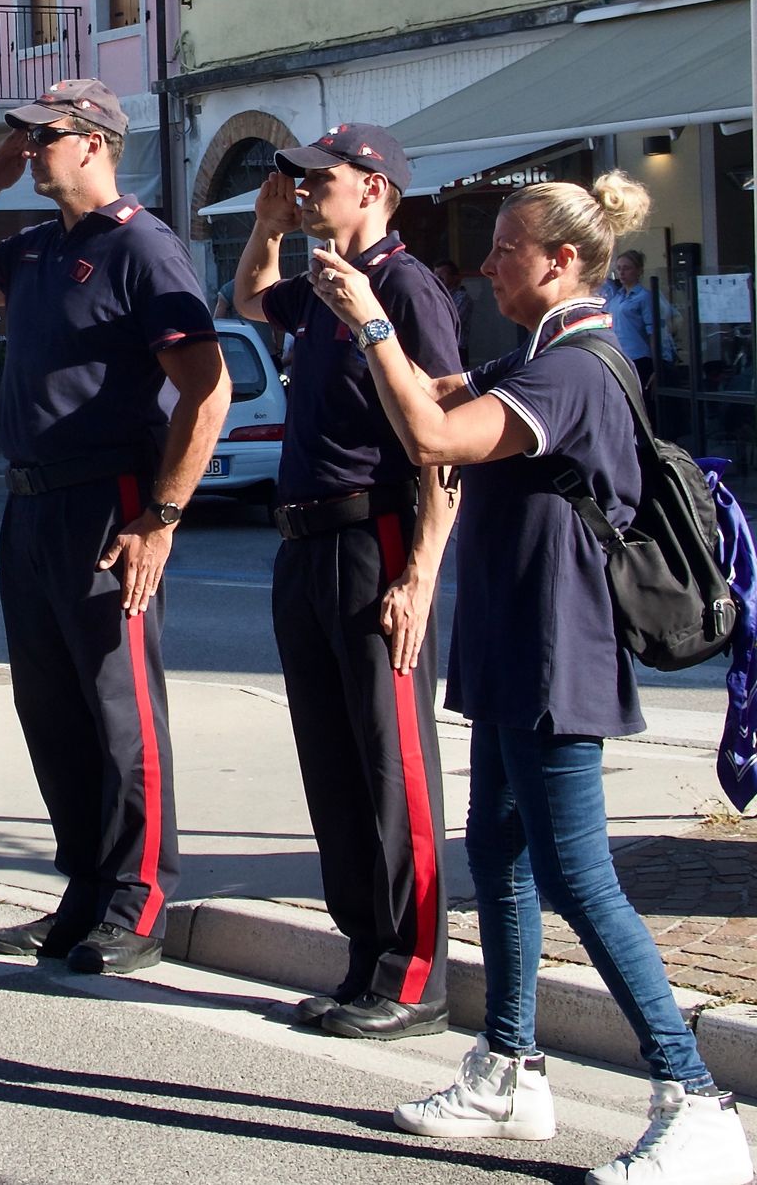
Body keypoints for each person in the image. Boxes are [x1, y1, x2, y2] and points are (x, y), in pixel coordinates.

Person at [310, 173, 755, 1185]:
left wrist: (375, 318)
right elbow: (425, 402)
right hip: (514, 642)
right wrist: (355, 319)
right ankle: (507, 1065)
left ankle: (696, 1101)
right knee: (501, 857)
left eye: (504, 246)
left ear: (557, 260)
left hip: (561, 651)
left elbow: (429, 439)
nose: (484, 262)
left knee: (572, 873)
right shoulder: (533, 356)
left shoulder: (577, 372)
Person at [0, 79, 229, 975]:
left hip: (107, 499)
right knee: (51, 707)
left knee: (118, 707)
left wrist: (161, 518)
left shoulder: (142, 247)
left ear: (93, 141)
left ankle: (140, 899)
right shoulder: (39, 247)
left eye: (40, 136)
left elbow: (208, 391)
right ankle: (85, 890)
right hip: (32, 501)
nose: (26, 149)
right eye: (19, 136)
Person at [229, 124, 460, 1040]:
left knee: (391, 766)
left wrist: (421, 575)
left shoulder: (403, 285)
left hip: (376, 538)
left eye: (317, 178)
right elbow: (248, 296)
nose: (303, 188)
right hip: (305, 544)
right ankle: (366, 955)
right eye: (296, 177)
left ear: (372, 187)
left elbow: (441, 441)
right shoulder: (328, 282)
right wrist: (265, 222)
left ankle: (415, 979)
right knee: (331, 762)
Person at [603, 248, 671, 390]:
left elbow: (653, 332)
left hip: (639, 358)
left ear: (639, 271)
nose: (622, 272)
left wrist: (656, 366)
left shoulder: (644, 297)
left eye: (626, 268)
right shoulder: (616, 298)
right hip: (619, 357)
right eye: (619, 268)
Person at [433, 260, 473, 366]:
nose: (437, 278)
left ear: (454, 277)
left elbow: (449, 320)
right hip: (438, 349)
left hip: (456, 349)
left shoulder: (462, 297)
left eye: (442, 274)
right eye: (435, 274)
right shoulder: (435, 296)